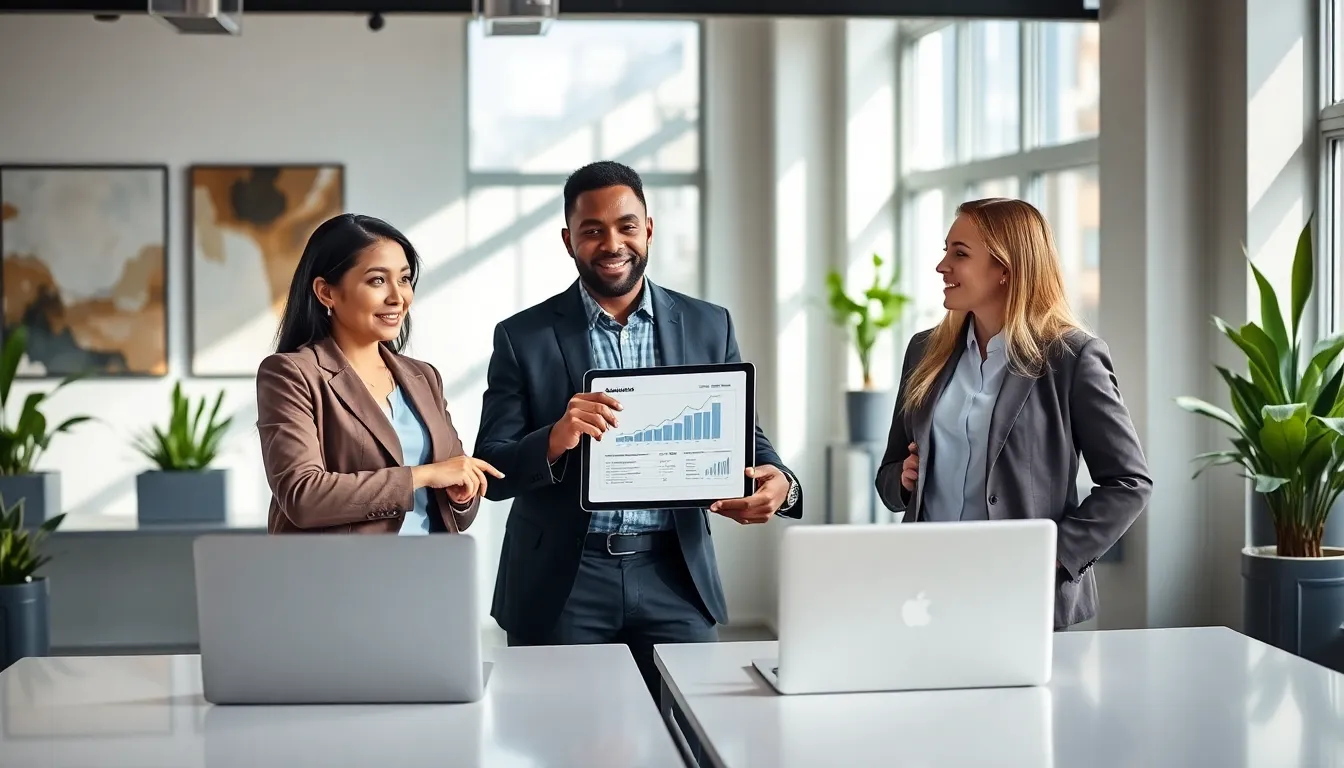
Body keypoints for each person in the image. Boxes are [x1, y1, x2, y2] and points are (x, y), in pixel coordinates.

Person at [474, 160, 804, 696]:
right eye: (592, 230)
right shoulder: (522, 337)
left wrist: (782, 481)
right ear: (568, 240)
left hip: (675, 572)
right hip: (564, 579)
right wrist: (556, 438)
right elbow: (492, 469)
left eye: (626, 226)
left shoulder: (708, 323)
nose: (612, 243)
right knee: (563, 739)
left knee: (696, 728)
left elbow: (745, 435)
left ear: (648, 228)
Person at [875, 198, 1151, 630]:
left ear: (1005, 268)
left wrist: (1052, 555)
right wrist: (904, 478)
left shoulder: (1071, 358)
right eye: (946, 250)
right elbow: (890, 476)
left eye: (960, 254)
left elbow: (1130, 482)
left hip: (1024, 597)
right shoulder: (925, 351)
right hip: (928, 591)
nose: (941, 266)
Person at [256, 213, 501, 535]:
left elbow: (455, 500)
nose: (397, 297)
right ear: (326, 293)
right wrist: (422, 475)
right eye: (377, 280)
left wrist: (461, 496)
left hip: (428, 571)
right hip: (339, 577)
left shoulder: (423, 377)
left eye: (403, 279)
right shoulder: (291, 374)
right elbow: (303, 495)